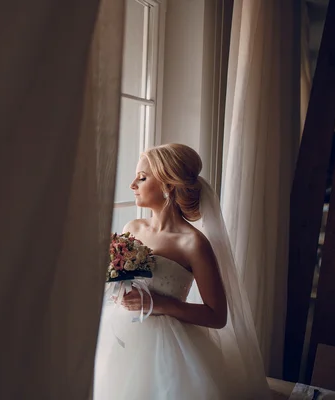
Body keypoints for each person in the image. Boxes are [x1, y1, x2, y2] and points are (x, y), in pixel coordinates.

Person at [93, 143, 270, 399]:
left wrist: (158, 303)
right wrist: (118, 290)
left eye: (142, 178)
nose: (133, 184)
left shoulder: (193, 243)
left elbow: (217, 316)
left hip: (169, 346)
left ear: (168, 186)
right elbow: (121, 277)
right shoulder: (133, 227)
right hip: (121, 333)